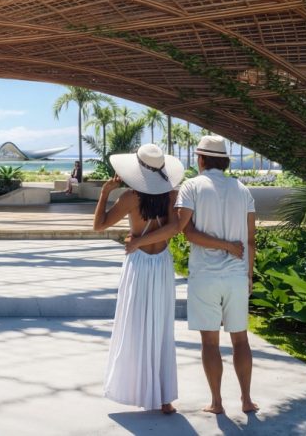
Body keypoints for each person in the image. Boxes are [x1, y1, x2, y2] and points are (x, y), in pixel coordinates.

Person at [129, 135, 254, 415]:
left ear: (201, 159)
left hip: (205, 276)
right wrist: (248, 274)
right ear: (225, 161)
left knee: (210, 342)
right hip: (236, 274)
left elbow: (186, 231)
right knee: (241, 340)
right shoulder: (243, 190)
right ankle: (246, 400)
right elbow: (250, 240)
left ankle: (217, 403)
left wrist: (139, 240)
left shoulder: (192, 186)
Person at [93, 143, 185, 414]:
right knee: (162, 327)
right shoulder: (171, 195)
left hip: (140, 264)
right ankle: (164, 398)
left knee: (135, 326)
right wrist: (141, 240)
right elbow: (174, 228)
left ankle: (140, 390)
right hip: (162, 263)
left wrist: (104, 193)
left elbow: (99, 225)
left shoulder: (130, 198)